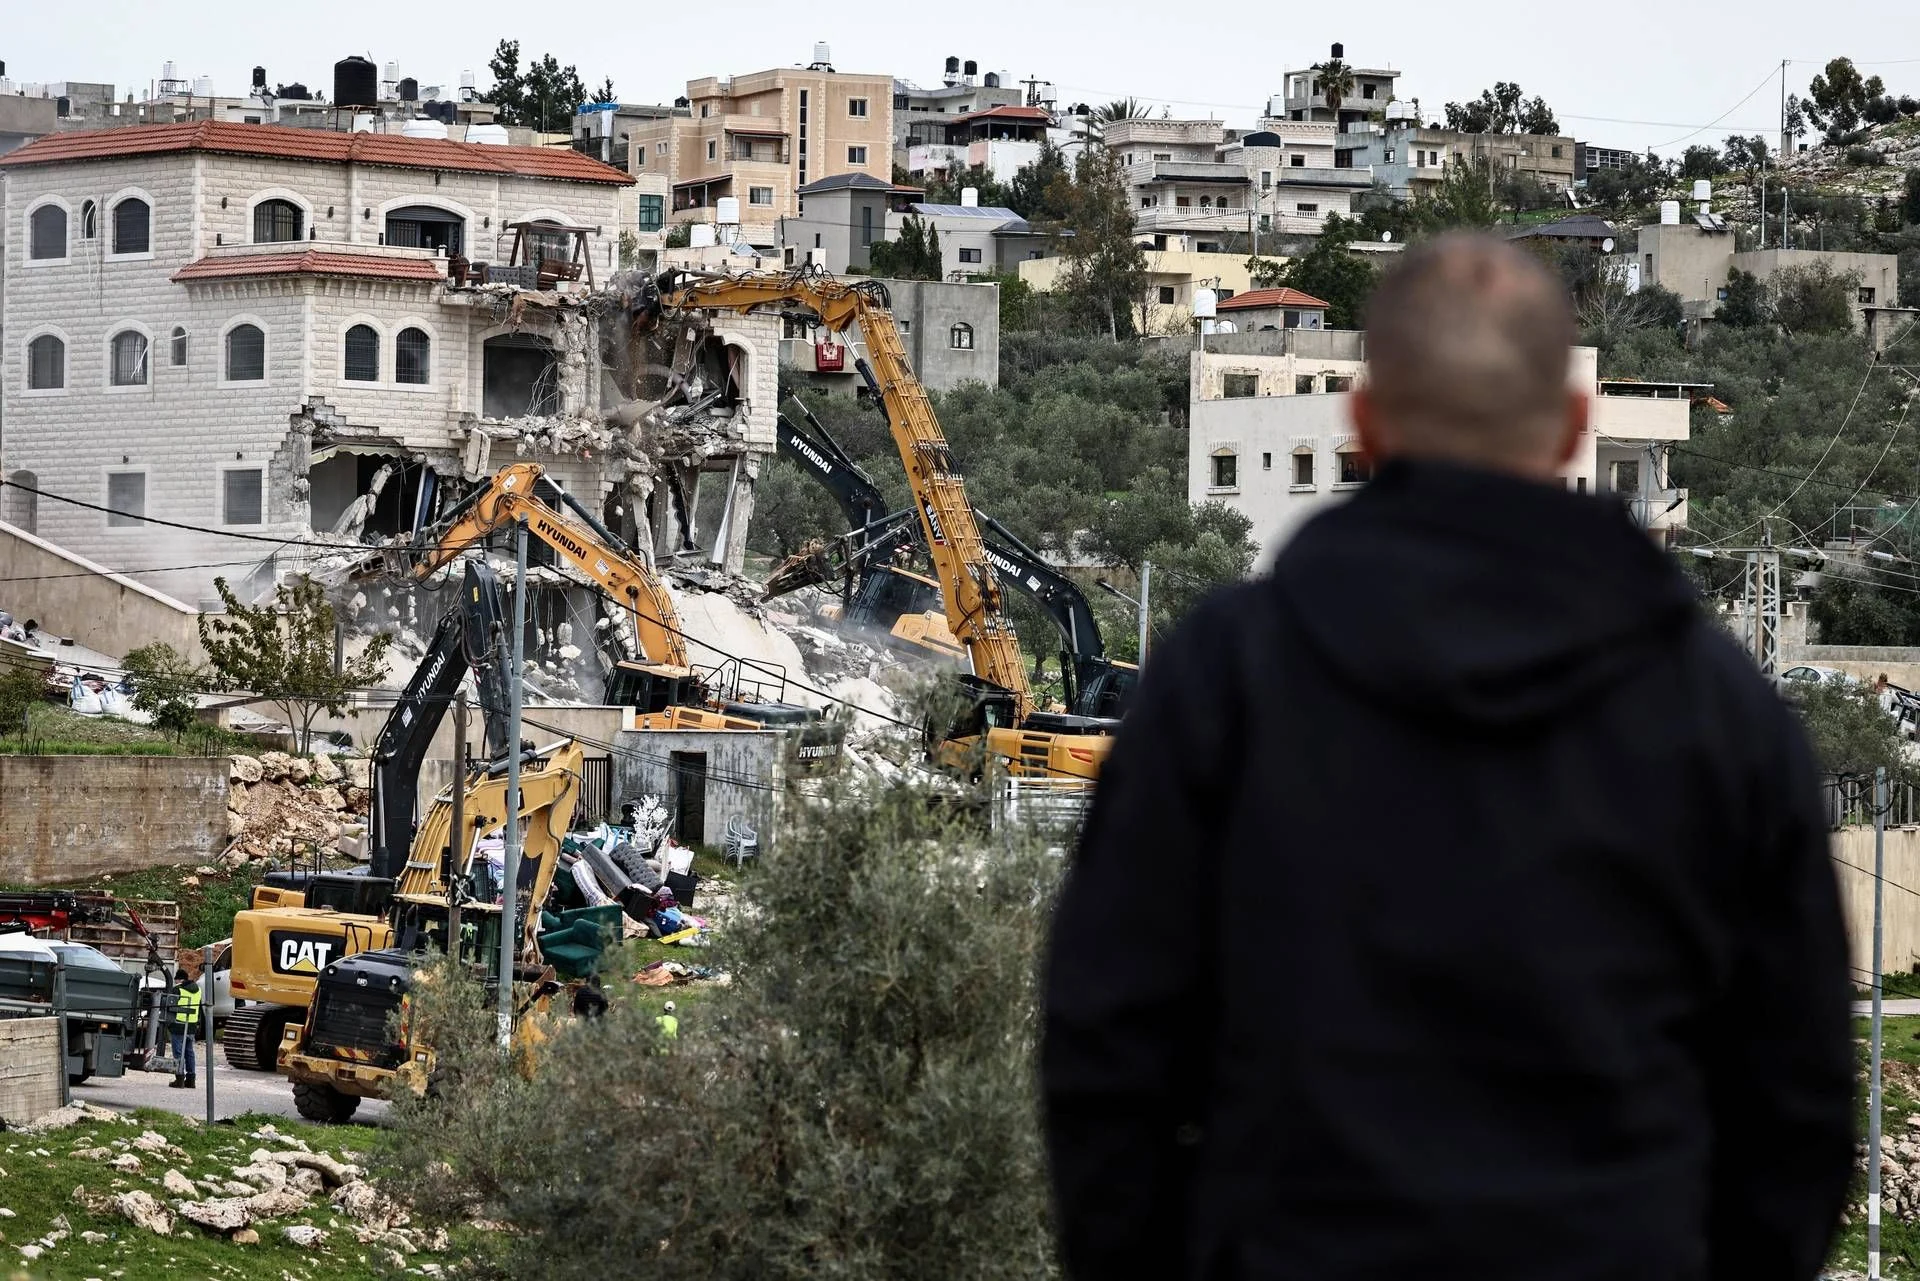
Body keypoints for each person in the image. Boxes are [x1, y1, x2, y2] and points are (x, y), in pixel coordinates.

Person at [1041, 234, 1854, 1281]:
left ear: (1367, 427)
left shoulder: (1224, 680)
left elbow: (1108, 1046)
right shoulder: (1723, 715)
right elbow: (1798, 1098)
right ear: (1571, 429)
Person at [168, 967, 201, 1089]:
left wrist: (168, 1024)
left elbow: (170, 1007)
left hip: (178, 1025)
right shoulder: (198, 990)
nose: (175, 982)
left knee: (178, 1053)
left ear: (179, 979)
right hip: (191, 1025)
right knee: (189, 1052)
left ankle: (179, 1079)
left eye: (176, 980)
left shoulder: (177, 989)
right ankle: (191, 1080)